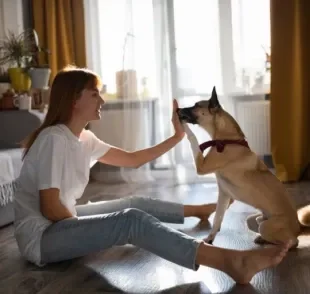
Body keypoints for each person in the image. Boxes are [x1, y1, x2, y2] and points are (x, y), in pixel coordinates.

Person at [14, 66, 290, 285]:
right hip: (42, 238)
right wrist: (92, 230)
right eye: (95, 93)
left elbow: (133, 160)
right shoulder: (54, 139)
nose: (102, 99)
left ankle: (198, 210)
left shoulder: (84, 138)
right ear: (75, 99)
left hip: (62, 221)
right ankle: (230, 262)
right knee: (130, 221)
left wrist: (177, 136)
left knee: (132, 204)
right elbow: (50, 208)